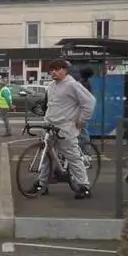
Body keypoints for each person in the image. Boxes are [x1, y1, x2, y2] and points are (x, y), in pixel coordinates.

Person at [27, 60, 95, 199]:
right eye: (52, 70)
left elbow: (89, 101)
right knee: (46, 156)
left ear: (65, 70)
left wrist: (83, 118)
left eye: (57, 69)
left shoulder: (73, 85)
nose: (53, 72)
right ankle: (42, 183)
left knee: (73, 156)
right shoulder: (51, 86)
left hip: (65, 127)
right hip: (49, 125)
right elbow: (50, 105)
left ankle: (84, 186)